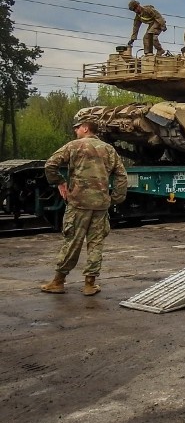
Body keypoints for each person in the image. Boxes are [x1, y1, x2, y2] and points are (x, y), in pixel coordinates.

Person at [40, 120, 128, 296]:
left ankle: (58, 281)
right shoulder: (108, 149)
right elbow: (121, 175)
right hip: (101, 204)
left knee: (72, 241)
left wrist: (60, 182)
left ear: (86, 128)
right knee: (96, 244)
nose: (75, 131)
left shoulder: (74, 146)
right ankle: (90, 284)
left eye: (77, 128)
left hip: (78, 203)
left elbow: (50, 164)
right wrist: (115, 198)